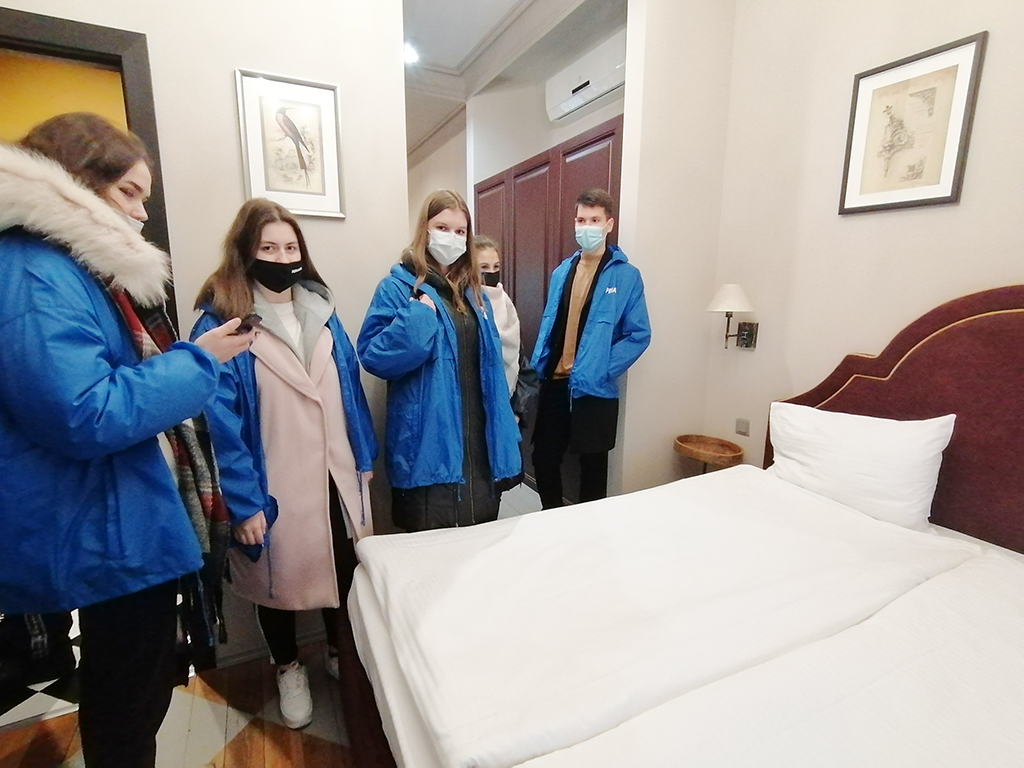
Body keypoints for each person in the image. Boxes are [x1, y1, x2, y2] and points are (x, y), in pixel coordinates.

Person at [0, 112, 254, 767]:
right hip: (102, 526)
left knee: (135, 694)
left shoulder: (67, 270)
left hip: (115, 518)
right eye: (129, 193)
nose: (142, 214)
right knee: (126, 706)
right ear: (75, 184)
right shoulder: (36, 271)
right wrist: (199, 361)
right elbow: (82, 412)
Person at [191, 198, 377, 730]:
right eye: (268, 247)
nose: (281, 257)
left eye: (290, 247)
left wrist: (364, 456)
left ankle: (339, 651)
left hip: (336, 472)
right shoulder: (222, 323)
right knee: (277, 582)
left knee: (341, 568)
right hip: (272, 480)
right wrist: (243, 502)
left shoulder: (323, 310)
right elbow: (218, 425)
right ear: (245, 252)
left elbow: (350, 388)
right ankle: (288, 666)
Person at [358, 190, 521, 532]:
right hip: (428, 448)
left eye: (461, 231)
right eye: (442, 227)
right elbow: (374, 357)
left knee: (482, 540)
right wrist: (417, 318)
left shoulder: (473, 293)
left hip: (480, 447)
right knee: (430, 549)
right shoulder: (397, 288)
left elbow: (491, 366)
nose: (452, 237)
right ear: (425, 229)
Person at [530, 188, 651, 509]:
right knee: (543, 458)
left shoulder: (626, 276)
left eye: (594, 220)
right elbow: (552, 323)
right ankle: (553, 516)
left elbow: (639, 334)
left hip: (595, 390)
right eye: (581, 220)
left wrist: (602, 368)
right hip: (556, 383)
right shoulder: (561, 272)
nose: (587, 227)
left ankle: (588, 529)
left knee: (593, 468)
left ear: (609, 224)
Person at [475, 235, 538, 490]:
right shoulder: (461, 308)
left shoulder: (506, 306)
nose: (491, 274)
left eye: (496, 267)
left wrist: (516, 411)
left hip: (506, 413)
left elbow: (524, 369)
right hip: (473, 419)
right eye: (483, 268)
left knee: (498, 487)